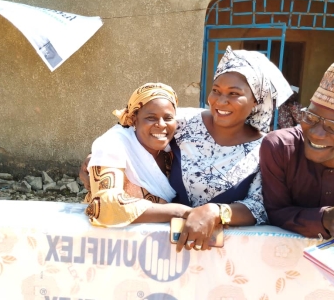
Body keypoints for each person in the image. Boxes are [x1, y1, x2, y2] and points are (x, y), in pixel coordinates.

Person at [80, 46, 293, 251]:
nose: (221, 101)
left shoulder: (265, 149)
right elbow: (131, 130)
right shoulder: (185, 122)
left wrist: (216, 212)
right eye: (216, 90)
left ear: (257, 100)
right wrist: (100, 161)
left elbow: (259, 207)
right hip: (159, 241)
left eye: (234, 94)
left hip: (220, 252)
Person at [84, 82, 191, 228]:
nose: (161, 125)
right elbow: (104, 205)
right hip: (114, 240)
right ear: (134, 119)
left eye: (167, 118)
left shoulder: (176, 149)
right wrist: (178, 211)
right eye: (151, 118)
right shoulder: (113, 144)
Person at [261, 63, 334, 239]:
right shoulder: (280, 147)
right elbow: (274, 212)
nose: (316, 134)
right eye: (311, 117)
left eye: (332, 127)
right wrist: (325, 218)